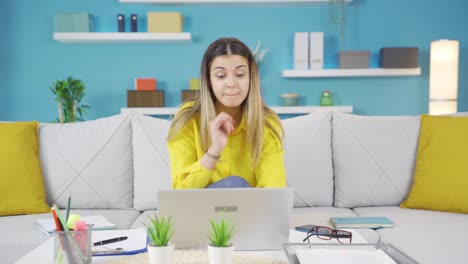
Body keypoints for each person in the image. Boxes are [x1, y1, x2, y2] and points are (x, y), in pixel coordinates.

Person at [167, 37, 286, 189]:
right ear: (209, 80)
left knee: (236, 185)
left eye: (240, 75)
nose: (231, 83)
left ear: (251, 78)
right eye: (221, 76)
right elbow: (181, 191)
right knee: (234, 184)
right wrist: (214, 151)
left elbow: (273, 189)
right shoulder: (187, 119)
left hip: (249, 209)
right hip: (202, 209)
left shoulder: (267, 121)